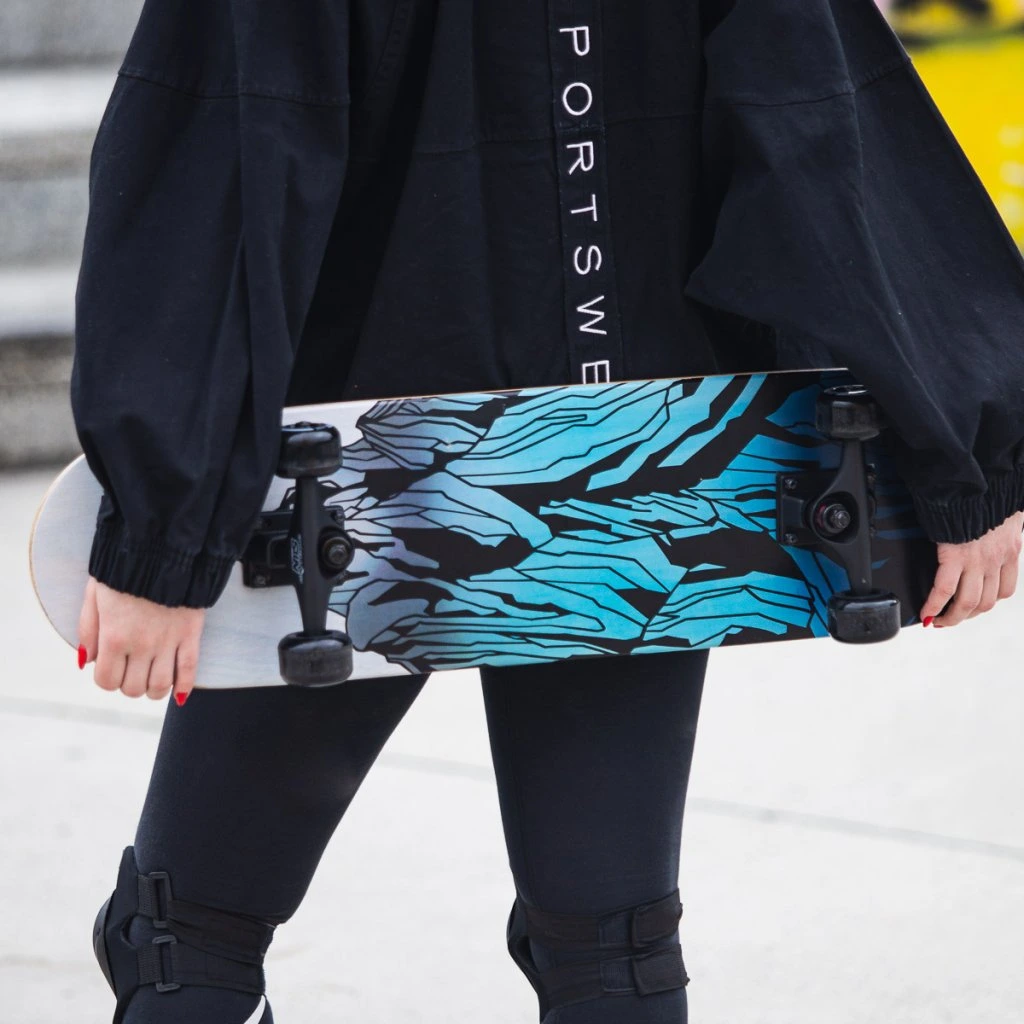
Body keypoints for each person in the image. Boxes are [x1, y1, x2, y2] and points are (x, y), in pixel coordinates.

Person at [71, 1, 1024, 1022]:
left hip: (379, 470)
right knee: (611, 953)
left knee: (190, 942)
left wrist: (164, 533)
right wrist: (958, 439)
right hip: (622, 455)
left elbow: (222, 149)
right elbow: (819, 128)